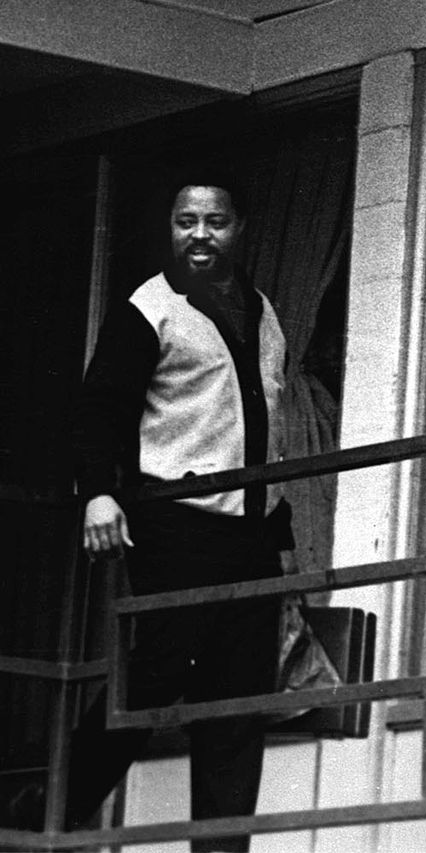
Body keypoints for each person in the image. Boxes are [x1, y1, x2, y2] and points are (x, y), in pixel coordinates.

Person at [67, 171, 291, 851]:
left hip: (252, 533)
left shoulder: (263, 309)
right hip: (178, 521)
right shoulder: (150, 306)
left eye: (215, 221)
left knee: (238, 701)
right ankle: (48, 807)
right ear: (170, 227)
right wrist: (100, 489)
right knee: (157, 676)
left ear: (240, 227)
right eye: (185, 220)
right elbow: (101, 405)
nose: (200, 235)